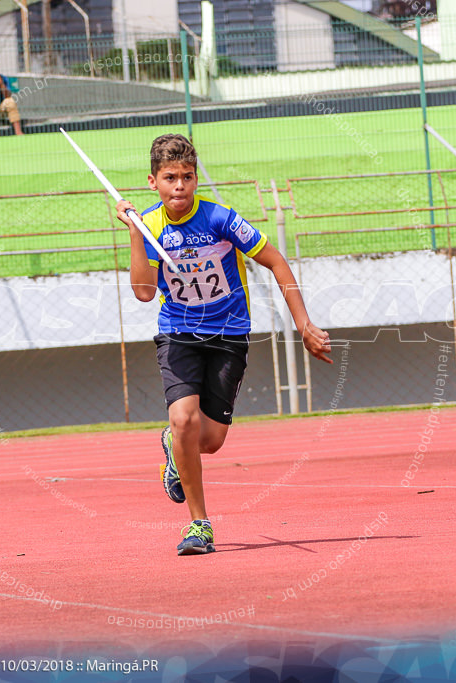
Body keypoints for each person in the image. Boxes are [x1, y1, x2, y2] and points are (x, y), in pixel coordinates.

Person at [116, 134, 333, 556]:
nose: (179, 186)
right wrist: (134, 233)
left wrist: (303, 323)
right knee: (184, 419)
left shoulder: (221, 220)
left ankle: (174, 449)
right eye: (169, 178)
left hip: (228, 334)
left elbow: (275, 261)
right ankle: (200, 525)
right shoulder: (148, 225)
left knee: (210, 440)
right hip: (178, 332)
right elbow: (144, 292)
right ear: (153, 181)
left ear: (196, 179)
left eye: (187, 177)